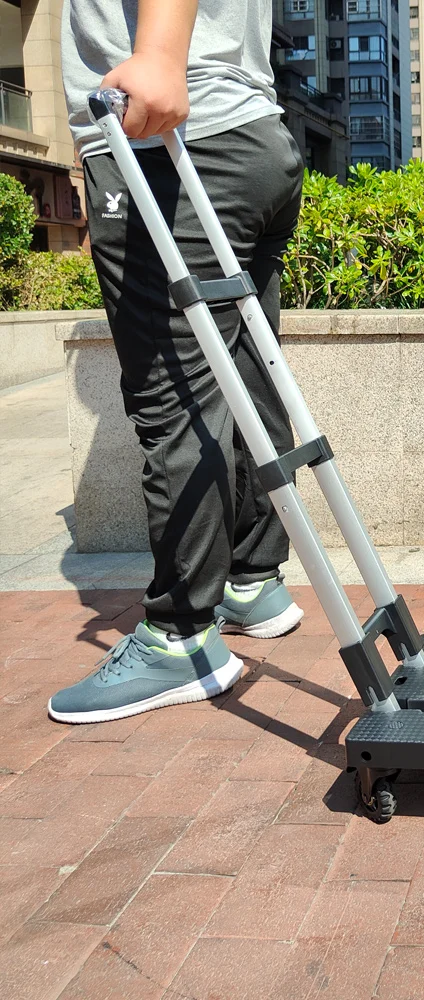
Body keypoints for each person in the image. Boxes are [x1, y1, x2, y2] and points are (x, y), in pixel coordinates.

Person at [49, 0, 306, 724]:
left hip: (169, 139)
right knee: (246, 376)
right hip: (254, 136)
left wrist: (160, 54)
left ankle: (180, 639)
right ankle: (254, 579)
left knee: (176, 395)